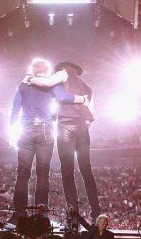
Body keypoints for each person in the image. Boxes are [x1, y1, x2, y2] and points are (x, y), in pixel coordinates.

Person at [9, 58, 86, 224]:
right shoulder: (52, 84)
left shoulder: (24, 84)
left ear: (33, 69)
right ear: (47, 70)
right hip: (45, 130)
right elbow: (63, 97)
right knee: (43, 172)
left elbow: (15, 108)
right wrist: (82, 99)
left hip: (26, 129)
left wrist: (11, 130)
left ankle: (18, 214)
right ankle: (40, 214)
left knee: (23, 172)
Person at [28, 61, 101, 220]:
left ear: (65, 68)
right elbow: (90, 115)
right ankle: (96, 211)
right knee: (86, 170)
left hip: (66, 125)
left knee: (67, 172)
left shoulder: (63, 74)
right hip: (82, 127)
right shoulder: (87, 88)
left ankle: (73, 213)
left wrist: (30, 79)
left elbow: (47, 83)